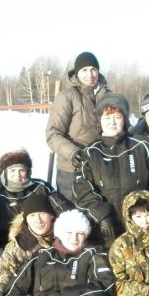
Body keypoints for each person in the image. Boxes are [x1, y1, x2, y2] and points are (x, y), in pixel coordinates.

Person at [72, 92, 149, 250]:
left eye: (117, 117)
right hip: (105, 231)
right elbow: (81, 189)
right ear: (100, 121)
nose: (112, 122)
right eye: (107, 118)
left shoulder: (141, 145)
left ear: (125, 120)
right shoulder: (91, 152)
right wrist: (102, 215)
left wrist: (148, 210)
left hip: (141, 227)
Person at [0, 148, 71, 264]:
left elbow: (61, 209)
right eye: (12, 171)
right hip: (5, 244)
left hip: (41, 240)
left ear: (28, 172)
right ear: (4, 172)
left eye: (21, 170)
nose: (17, 175)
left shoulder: (41, 187)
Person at [46, 51, 111, 202]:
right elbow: (52, 134)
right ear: (77, 73)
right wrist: (73, 153)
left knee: (100, 213)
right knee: (74, 217)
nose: (90, 74)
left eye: (93, 69)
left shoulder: (108, 96)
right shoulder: (67, 97)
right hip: (72, 170)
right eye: (84, 70)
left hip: (102, 168)